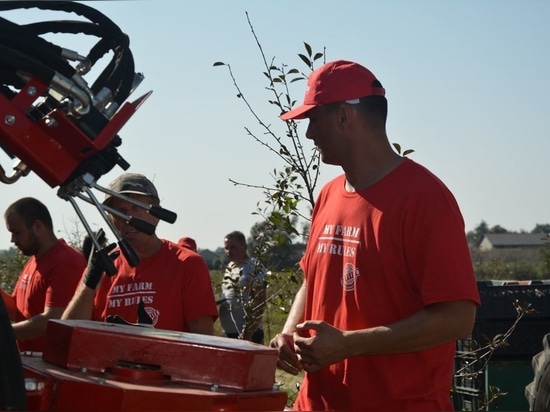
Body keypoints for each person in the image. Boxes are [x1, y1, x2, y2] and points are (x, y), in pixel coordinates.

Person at [269, 60, 481, 411]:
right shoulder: (328, 195)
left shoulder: (425, 199)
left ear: (343, 118)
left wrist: (348, 344)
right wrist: (290, 332)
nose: (308, 134)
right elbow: (314, 278)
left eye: (313, 120)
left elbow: (457, 318)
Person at [62, 173, 218, 334]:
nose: (128, 217)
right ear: (110, 219)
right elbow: (67, 335)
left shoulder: (187, 263)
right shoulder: (102, 266)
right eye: (120, 210)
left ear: (156, 216)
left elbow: (202, 337)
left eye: (136, 207)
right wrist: (89, 285)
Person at [1, 197, 86, 352]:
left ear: (38, 226)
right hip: (31, 365)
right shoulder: (34, 260)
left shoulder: (65, 262)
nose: (13, 240)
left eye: (17, 233)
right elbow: (17, 311)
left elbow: (53, 321)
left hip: (51, 369)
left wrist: (5, 334)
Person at [219, 230, 266, 344]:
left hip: (248, 335)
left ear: (244, 247)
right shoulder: (230, 267)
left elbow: (259, 302)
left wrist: (247, 335)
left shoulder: (254, 266)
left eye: (233, 247)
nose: (229, 251)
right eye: (226, 248)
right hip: (229, 334)